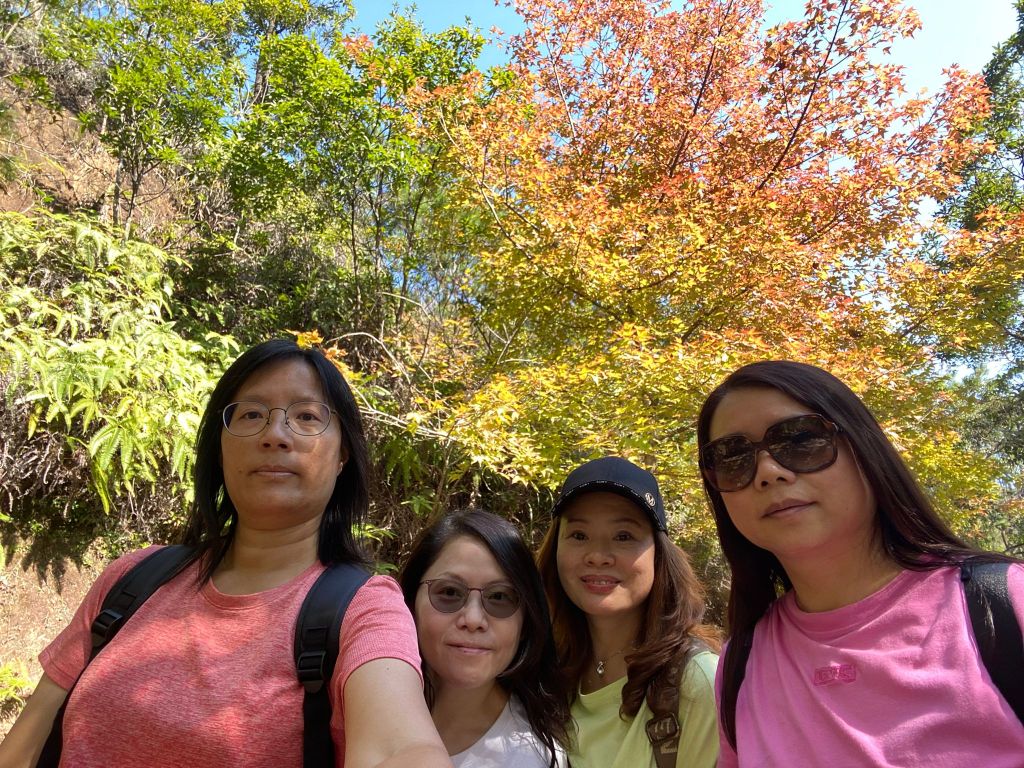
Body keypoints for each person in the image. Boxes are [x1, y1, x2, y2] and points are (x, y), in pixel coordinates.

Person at [0, 338, 452, 768]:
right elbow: (24, 749)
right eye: (251, 414)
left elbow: (400, 747)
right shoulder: (132, 578)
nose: (275, 435)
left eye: (307, 417)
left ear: (342, 456)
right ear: (220, 447)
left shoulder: (365, 610)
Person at [696, 359, 1024, 766]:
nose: (767, 472)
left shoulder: (1005, 604)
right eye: (732, 457)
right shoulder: (740, 664)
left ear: (864, 448)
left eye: (800, 439)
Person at [536, 456, 720, 768]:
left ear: (658, 555)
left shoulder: (697, 684)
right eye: (579, 535)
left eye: (624, 536)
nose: (597, 556)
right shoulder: (544, 672)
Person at [399, 509, 570, 768]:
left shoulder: (535, 757)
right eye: (449, 592)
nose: (473, 619)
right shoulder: (359, 708)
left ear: (526, 623)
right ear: (411, 603)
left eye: (500, 597)